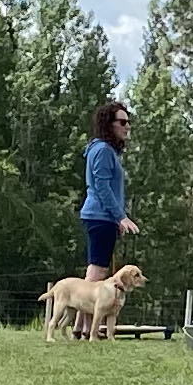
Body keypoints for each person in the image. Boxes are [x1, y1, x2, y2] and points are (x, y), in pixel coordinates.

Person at [81, 100, 136, 282]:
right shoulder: (103, 150)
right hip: (100, 217)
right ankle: (84, 310)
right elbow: (102, 187)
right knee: (97, 272)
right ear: (108, 125)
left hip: (104, 217)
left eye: (128, 122)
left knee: (99, 271)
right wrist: (121, 216)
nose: (127, 126)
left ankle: (85, 311)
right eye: (122, 122)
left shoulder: (104, 150)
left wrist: (116, 219)